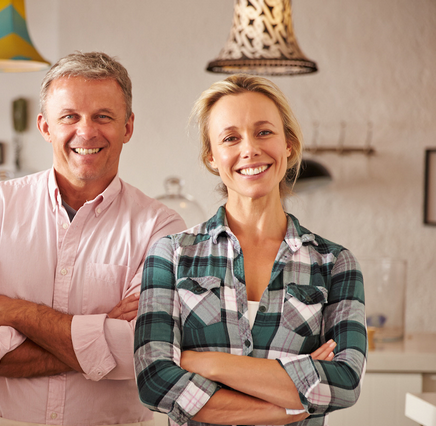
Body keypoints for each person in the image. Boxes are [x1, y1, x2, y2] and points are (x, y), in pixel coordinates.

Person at [0, 51, 187, 426]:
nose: (86, 132)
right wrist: (98, 336)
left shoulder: (160, 227)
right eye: (69, 116)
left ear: (128, 127)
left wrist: (16, 313)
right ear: (45, 127)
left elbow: (144, 351)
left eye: (103, 116)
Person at [134, 74, 367, 426]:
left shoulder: (334, 264)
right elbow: (154, 380)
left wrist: (204, 363)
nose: (250, 149)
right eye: (230, 138)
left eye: (264, 132)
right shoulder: (171, 255)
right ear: (211, 156)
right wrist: (291, 404)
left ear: (288, 144)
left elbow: (345, 382)